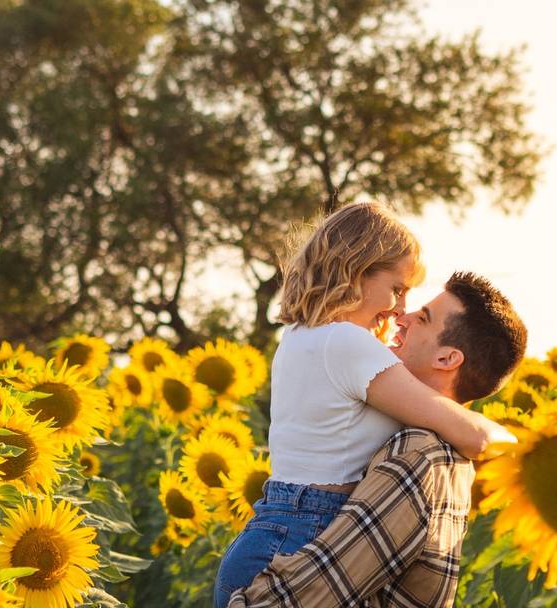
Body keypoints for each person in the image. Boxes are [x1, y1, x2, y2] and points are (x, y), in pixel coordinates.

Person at [213, 203, 516, 608]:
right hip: (300, 535)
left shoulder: (305, 336)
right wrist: (515, 439)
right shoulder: (348, 345)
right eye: (397, 288)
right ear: (356, 271)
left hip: (276, 531)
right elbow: (474, 435)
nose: (401, 308)